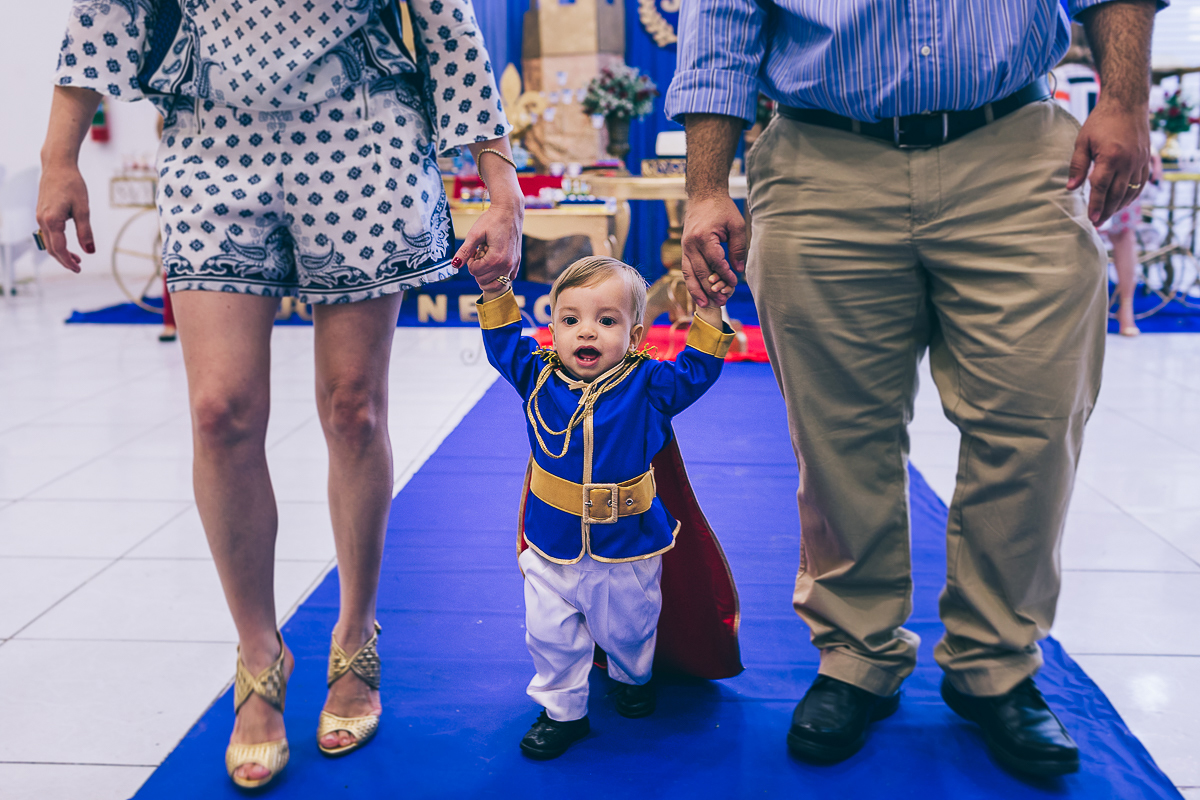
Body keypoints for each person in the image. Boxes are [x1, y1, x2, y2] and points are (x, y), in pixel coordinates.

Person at [36, 0, 523, 788]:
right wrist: (61, 156)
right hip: (212, 134)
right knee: (219, 411)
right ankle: (258, 651)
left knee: (353, 406)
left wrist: (501, 184)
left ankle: (355, 631)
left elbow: (446, 19)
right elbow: (108, 9)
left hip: (362, 130)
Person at [666, 0, 1159, 776]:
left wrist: (1125, 98)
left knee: (1035, 419)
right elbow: (720, 19)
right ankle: (857, 654)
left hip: (1016, 147)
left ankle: (995, 661)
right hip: (822, 156)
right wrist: (705, 186)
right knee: (836, 437)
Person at [472, 256, 734, 759]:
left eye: (606, 321)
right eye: (570, 320)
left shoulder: (651, 385)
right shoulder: (537, 376)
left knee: (631, 629)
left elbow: (698, 369)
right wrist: (493, 287)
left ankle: (631, 677)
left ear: (635, 336)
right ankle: (562, 712)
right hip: (551, 544)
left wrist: (710, 312)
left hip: (627, 546)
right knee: (549, 634)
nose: (586, 332)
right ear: (552, 329)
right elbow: (502, 341)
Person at [1053, 23, 1161, 336]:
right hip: (1117, 167)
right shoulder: (1113, 82)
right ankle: (1127, 313)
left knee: (1076, 244)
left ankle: (1084, 316)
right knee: (1124, 238)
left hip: (1073, 171)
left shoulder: (1054, 80)